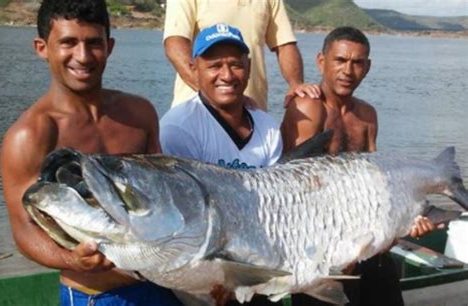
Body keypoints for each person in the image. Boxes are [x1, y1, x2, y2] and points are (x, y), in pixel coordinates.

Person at [0, 1, 182, 305]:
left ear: (109, 46)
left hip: (163, 287)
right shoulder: (29, 136)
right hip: (95, 296)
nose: (82, 56)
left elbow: (164, 199)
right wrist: (72, 260)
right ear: (42, 48)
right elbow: (23, 229)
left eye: (93, 43)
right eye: (68, 42)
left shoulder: (139, 114)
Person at [281, 26, 439, 306]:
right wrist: (340, 252)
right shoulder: (308, 108)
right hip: (321, 250)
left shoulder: (367, 115)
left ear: (367, 67)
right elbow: (296, 193)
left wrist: (406, 220)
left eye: (357, 63)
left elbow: (376, 184)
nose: (348, 70)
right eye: (340, 60)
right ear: (321, 61)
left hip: (367, 243)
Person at [160, 23, 283, 306]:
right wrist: (214, 274)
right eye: (214, 65)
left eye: (235, 65)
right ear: (194, 69)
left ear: (249, 67)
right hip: (200, 269)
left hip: (254, 263)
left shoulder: (267, 128)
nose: (226, 75)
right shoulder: (179, 127)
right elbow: (181, 219)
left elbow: (277, 206)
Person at [163, 0, 318, 111]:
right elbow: (175, 44)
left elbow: (284, 44)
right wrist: (215, 95)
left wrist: (296, 83)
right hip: (196, 109)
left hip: (251, 111)